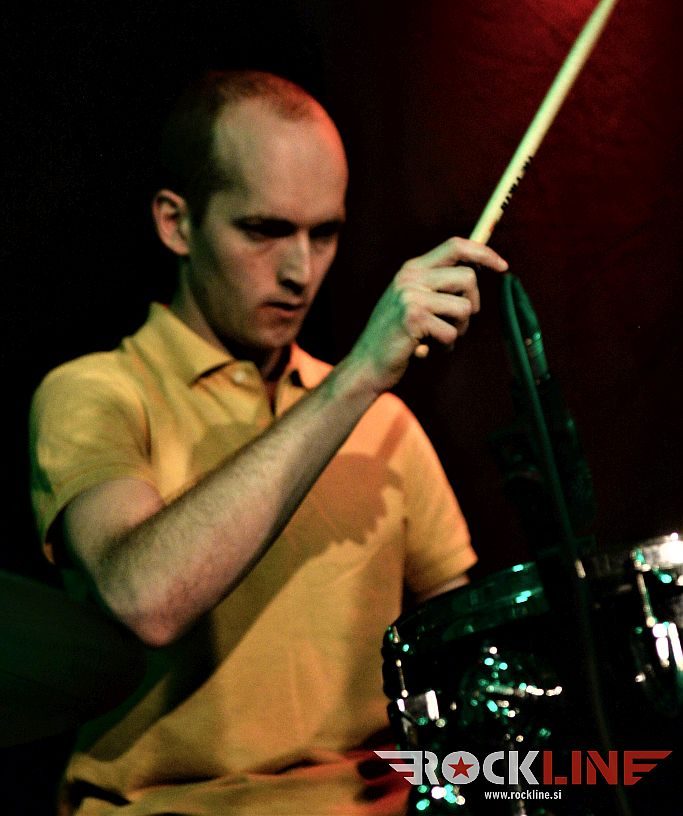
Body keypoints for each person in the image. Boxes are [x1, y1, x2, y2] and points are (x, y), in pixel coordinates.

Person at [30, 70, 508, 815]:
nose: (299, 272)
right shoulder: (97, 392)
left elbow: (471, 664)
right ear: (175, 224)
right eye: (264, 230)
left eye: (325, 233)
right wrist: (355, 378)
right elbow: (144, 598)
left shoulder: (383, 424)